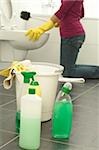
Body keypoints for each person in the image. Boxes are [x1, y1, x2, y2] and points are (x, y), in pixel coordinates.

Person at [25, 0, 99, 79]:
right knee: (67, 68)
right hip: (72, 35)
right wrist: (63, 21)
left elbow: (61, 12)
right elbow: (80, 14)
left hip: (72, 35)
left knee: (67, 72)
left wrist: (42, 28)